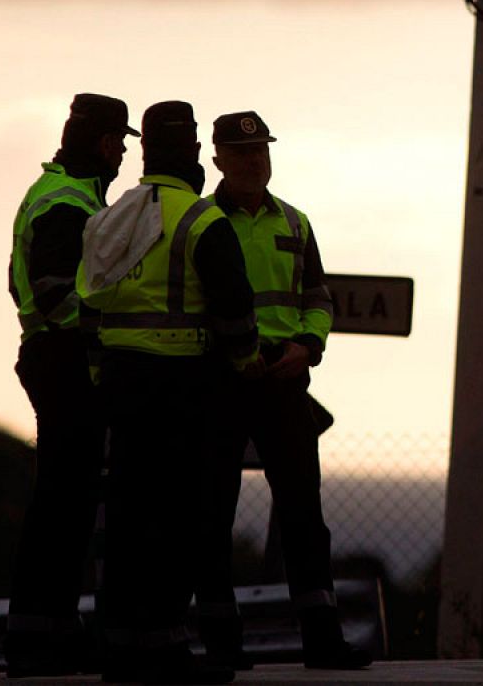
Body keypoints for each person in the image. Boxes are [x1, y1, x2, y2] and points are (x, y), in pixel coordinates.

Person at [78, 101, 263, 685]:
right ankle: (165, 650)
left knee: (127, 520)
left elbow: (88, 303)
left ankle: (121, 648)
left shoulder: (112, 217)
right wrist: (245, 363)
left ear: (146, 151)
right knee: (177, 521)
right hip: (184, 387)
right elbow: (235, 314)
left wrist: (100, 373)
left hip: (122, 387)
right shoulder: (202, 221)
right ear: (192, 155)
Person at [193, 111, 370, 671]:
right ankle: (223, 644)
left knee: (303, 513)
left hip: (285, 380)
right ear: (216, 158)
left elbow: (318, 299)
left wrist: (307, 348)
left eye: (261, 152)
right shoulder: (198, 222)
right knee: (212, 512)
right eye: (242, 153)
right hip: (222, 380)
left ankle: (322, 639)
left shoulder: (294, 223)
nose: (253, 161)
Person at [4, 94, 139, 677]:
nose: (125, 151)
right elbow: (60, 294)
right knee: (63, 506)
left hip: (53, 356)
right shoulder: (68, 203)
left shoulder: (64, 193)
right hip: (65, 360)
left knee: (68, 504)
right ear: (105, 143)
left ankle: (49, 632)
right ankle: (39, 638)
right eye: (120, 141)